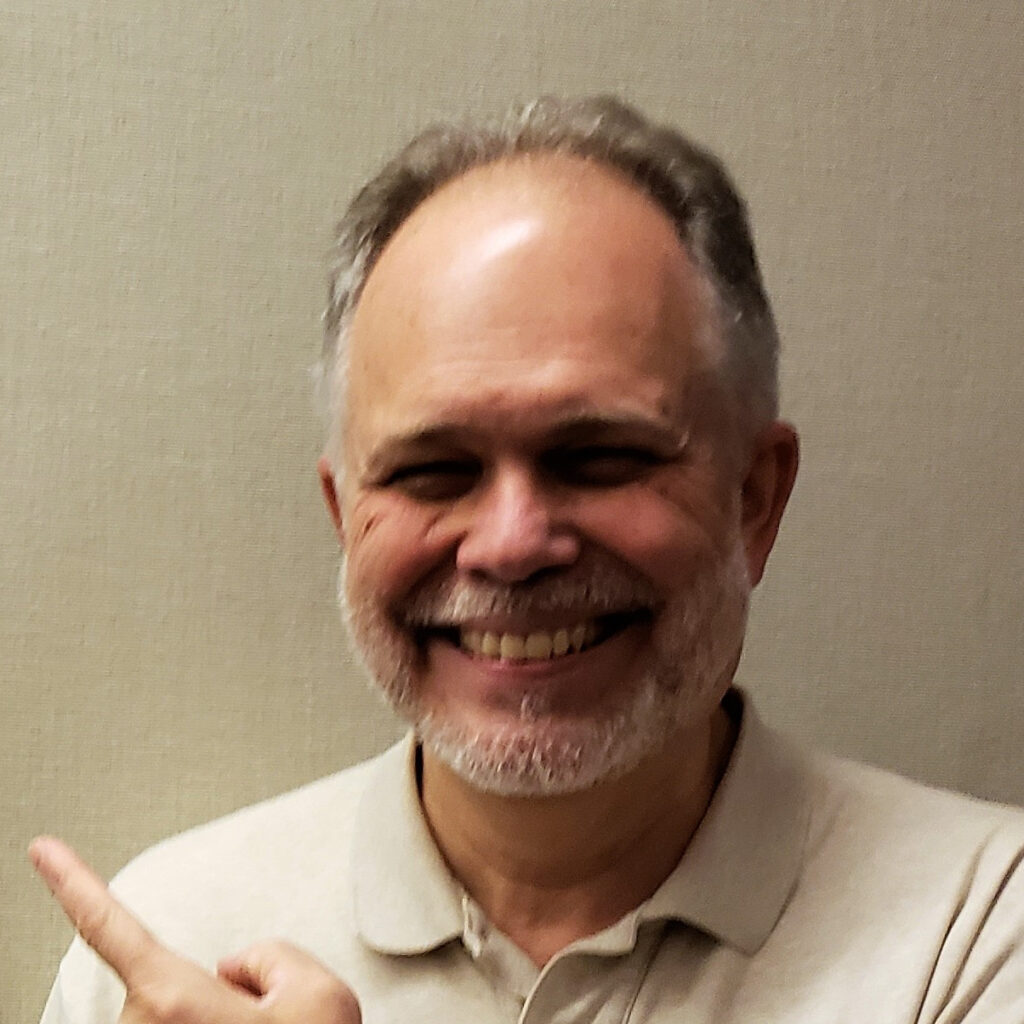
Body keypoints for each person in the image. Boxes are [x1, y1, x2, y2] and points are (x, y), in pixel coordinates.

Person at [34, 96, 1024, 1023]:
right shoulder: (170, 953)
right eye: (433, 471)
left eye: (600, 457)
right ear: (345, 517)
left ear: (752, 498)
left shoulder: (978, 926)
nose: (510, 545)